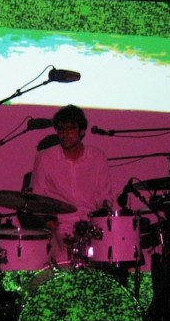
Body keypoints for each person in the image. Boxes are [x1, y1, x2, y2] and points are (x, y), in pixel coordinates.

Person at [29, 105, 114, 266]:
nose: (65, 134)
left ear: (82, 131)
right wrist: (48, 221)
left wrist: (102, 218)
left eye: (70, 129)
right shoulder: (45, 158)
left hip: (90, 226)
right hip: (60, 227)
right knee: (64, 265)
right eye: (61, 130)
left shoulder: (97, 157)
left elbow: (104, 197)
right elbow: (37, 198)